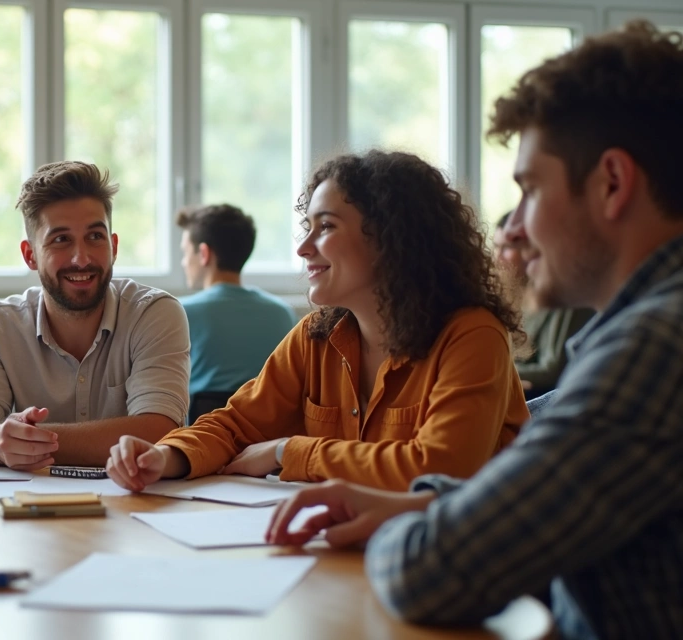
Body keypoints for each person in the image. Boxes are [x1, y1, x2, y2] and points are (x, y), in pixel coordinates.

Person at [265, 22, 683, 640]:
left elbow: (428, 572)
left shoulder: (655, 346)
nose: (512, 230)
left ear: (612, 184)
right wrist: (421, 502)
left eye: (530, 190)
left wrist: (405, 517)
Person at [107, 150, 528, 492]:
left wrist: (288, 451)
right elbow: (236, 425)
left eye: (325, 227)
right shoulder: (317, 335)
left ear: (392, 238)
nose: (303, 248)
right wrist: (166, 456)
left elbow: (441, 467)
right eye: (306, 227)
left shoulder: (472, 335)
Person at [0, 161, 190, 469]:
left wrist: (25, 440)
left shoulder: (154, 314)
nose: (81, 258)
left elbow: (158, 432)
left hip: (136, 495)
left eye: (95, 236)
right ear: (30, 255)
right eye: (61, 240)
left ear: (114, 246)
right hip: (30, 497)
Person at [176, 203, 297, 421]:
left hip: (205, 432)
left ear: (204, 253)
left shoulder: (180, 313)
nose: (184, 262)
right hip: (270, 433)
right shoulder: (283, 314)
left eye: (185, 252)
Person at [493, 212, 593, 399]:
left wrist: (494, 373)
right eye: (496, 247)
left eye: (507, 248)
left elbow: (553, 371)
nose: (498, 257)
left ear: (532, 248)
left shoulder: (563, 296)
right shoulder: (512, 297)